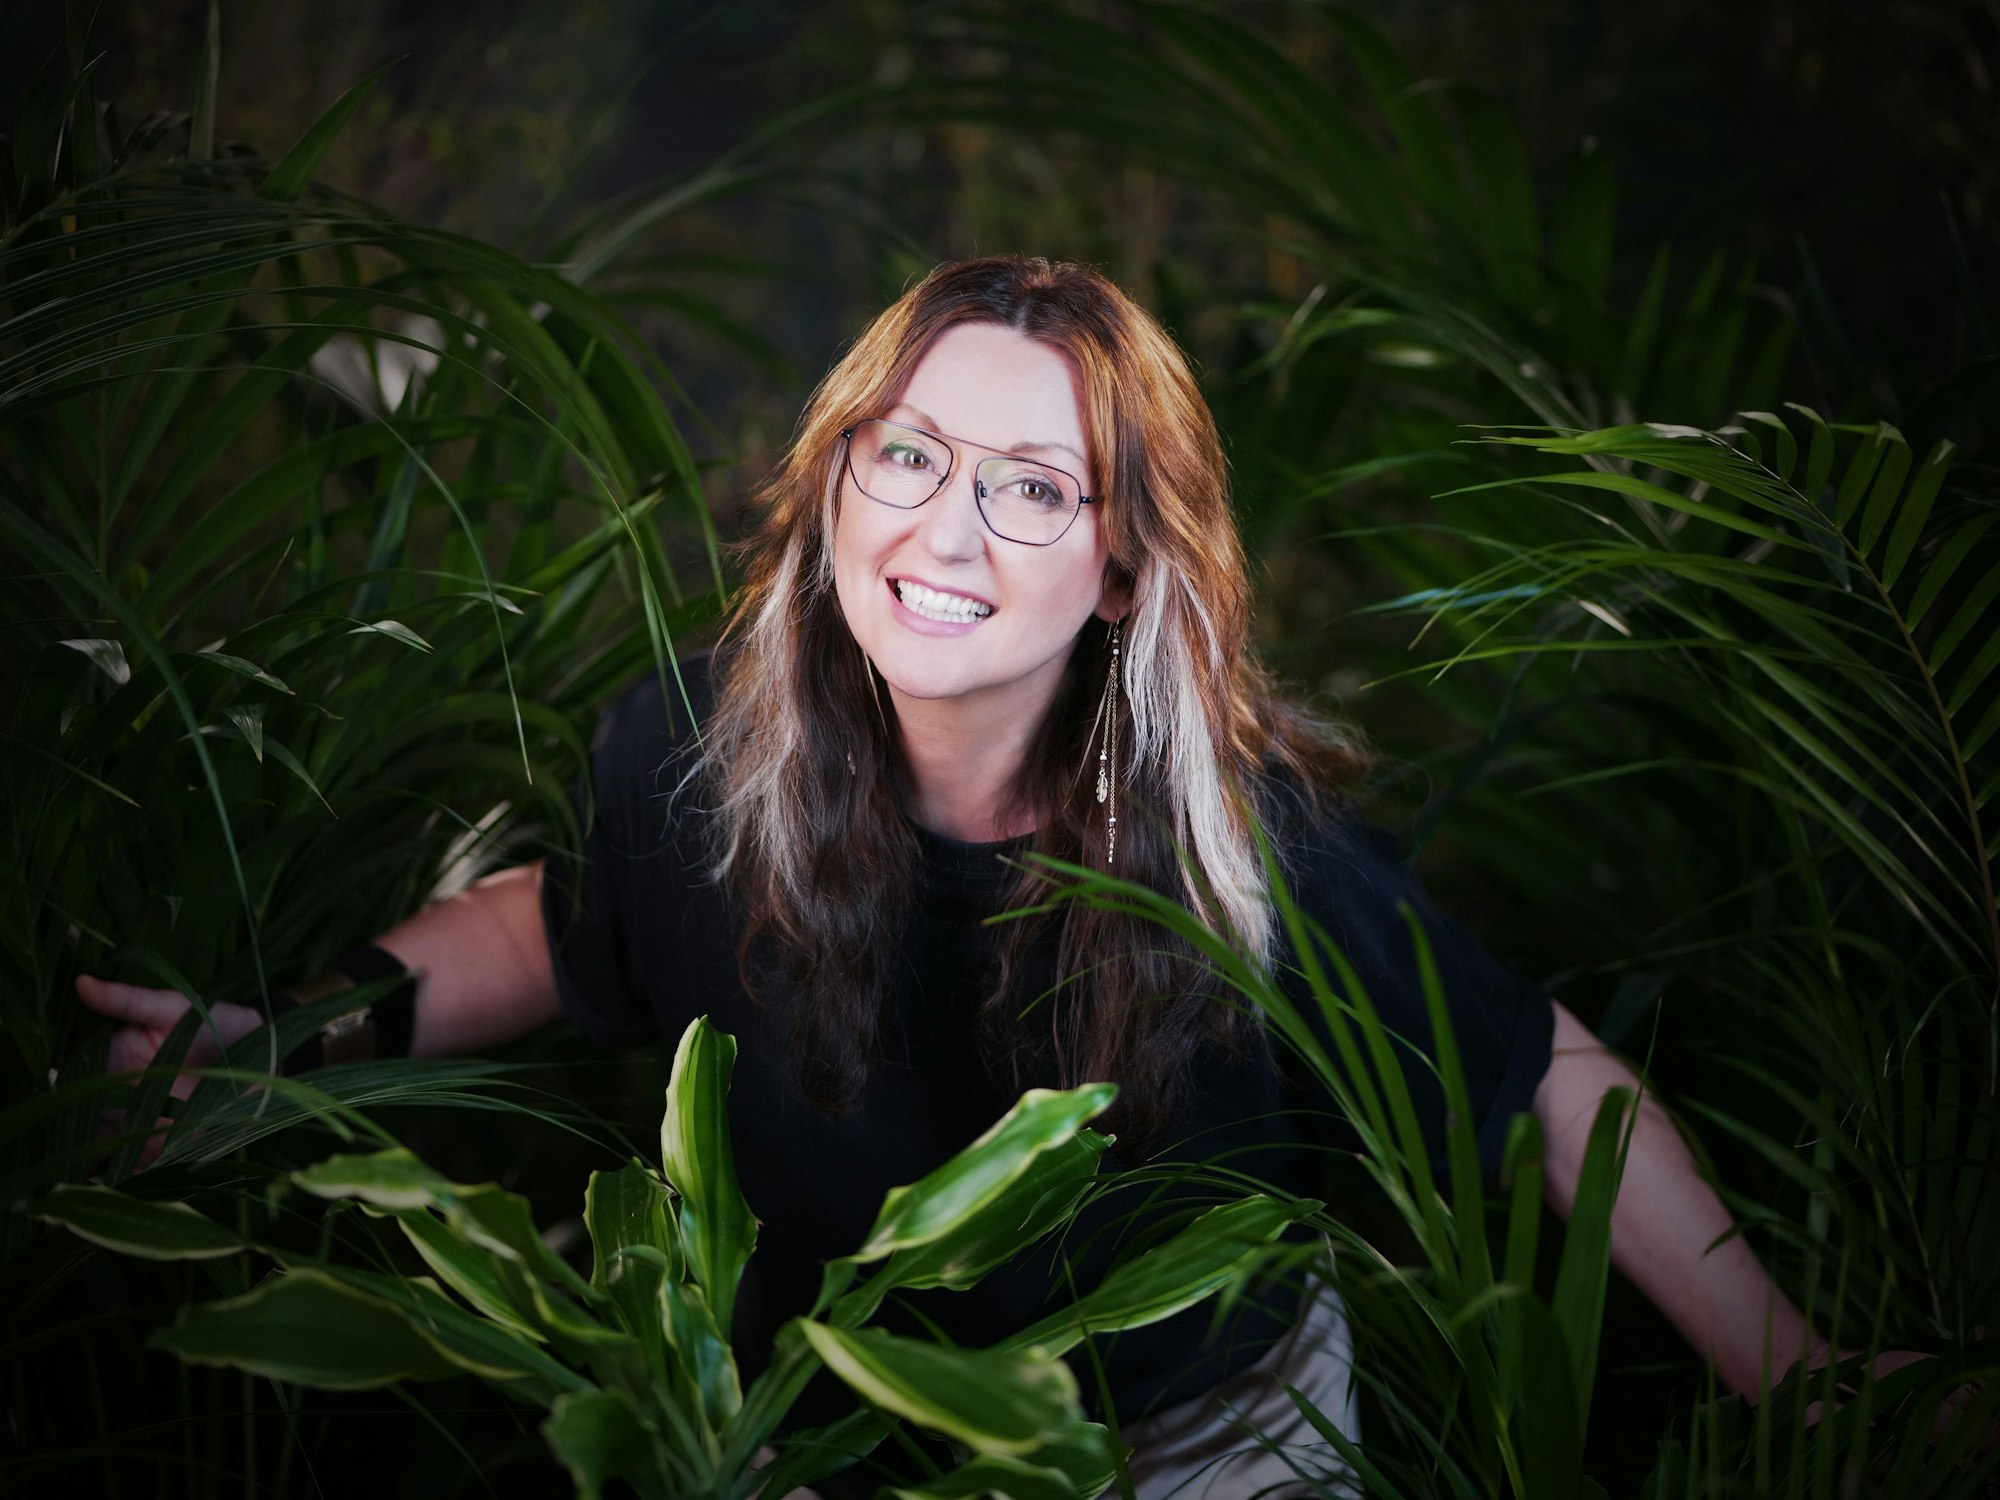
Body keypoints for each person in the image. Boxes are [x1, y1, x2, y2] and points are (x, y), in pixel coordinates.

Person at [78, 256, 1837, 1497]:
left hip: (1196, 1445)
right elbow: (563, 924)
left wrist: (1800, 1379)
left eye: (1031, 488)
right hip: (820, 1428)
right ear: (839, 480)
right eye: (909, 455)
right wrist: (283, 1033)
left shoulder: (1241, 862)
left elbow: (1544, 1078)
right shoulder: (692, 750)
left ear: (1130, 571)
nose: (942, 531)